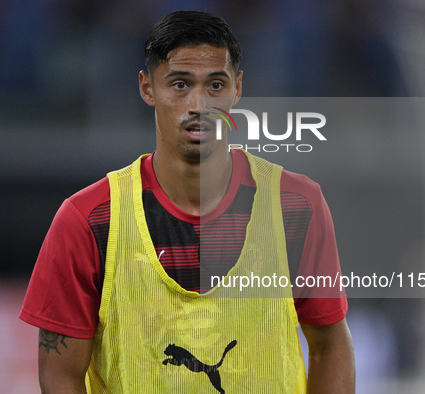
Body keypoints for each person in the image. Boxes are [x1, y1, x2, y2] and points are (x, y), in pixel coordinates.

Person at [20, 10, 355, 393]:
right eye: (180, 85)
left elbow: (330, 346)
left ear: (237, 88)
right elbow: (60, 374)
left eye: (215, 85)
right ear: (147, 88)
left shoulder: (296, 206)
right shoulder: (87, 220)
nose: (199, 104)